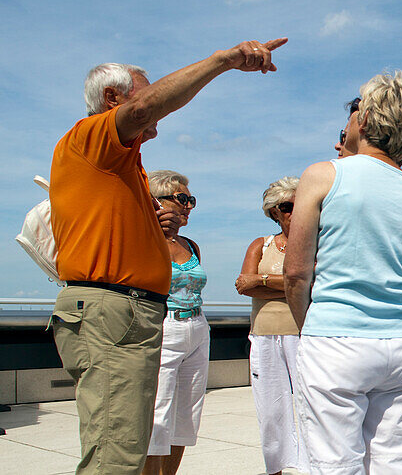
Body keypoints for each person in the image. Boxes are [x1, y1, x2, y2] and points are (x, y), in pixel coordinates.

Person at [49, 38, 286, 475]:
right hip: (113, 312)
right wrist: (224, 61)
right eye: (147, 92)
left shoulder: (121, 163)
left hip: (130, 313)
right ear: (113, 98)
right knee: (114, 452)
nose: (156, 104)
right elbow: (143, 111)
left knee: (128, 443)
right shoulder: (92, 138)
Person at [284, 70, 402, 475]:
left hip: (336, 339)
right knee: (395, 463)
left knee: (334, 464)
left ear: (365, 119)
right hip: (400, 345)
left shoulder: (324, 174)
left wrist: (309, 326)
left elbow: (296, 274)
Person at [235, 176, 309, 475]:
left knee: (310, 407)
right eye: (289, 206)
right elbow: (244, 285)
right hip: (264, 336)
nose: (296, 212)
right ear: (274, 211)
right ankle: (276, 468)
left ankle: (309, 468)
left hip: (303, 334)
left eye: (300, 205)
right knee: (270, 410)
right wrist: (293, 284)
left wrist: (262, 281)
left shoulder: (314, 245)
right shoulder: (260, 245)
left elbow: (314, 283)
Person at [144, 171, 209, 475]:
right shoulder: (144, 239)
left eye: (191, 199)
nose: (189, 206)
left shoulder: (191, 245)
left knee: (185, 417)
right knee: (157, 415)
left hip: (197, 328)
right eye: (182, 199)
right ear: (158, 201)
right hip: (163, 328)